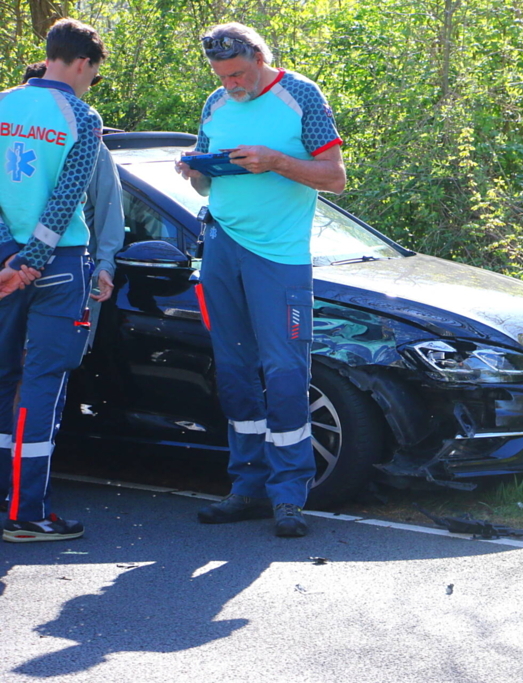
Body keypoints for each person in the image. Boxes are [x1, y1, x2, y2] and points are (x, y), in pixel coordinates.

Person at [176, 23, 346, 537]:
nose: (230, 83)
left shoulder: (301, 95)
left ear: (258, 55)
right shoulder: (214, 104)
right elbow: (208, 177)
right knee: (233, 370)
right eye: (221, 75)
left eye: (238, 72)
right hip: (223, 245)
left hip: (279, 255)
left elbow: (335, 177)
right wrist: (196, 170)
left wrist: (274, 162)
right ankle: (246, 487)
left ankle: (289, 496)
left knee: (285, 372)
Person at [0, 18, 107, 542]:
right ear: (83, 63)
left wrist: (10, 256)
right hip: (57, 263)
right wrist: (35, 260)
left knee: (2, 377)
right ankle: (27, 513)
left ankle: (4, 498)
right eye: (93, 73)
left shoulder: (2, 102)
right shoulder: (82, 117)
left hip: (2, 260)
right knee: (43, 382)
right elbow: (66, 199)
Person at [21, 61, 124, 330]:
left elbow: (108, 208)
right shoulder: (12, 136)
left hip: (61, 268)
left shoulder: (90, 142)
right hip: (19, 264)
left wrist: (105, 263)